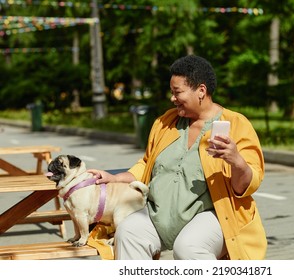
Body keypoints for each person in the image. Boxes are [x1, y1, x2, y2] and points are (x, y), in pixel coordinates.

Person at [88, 55, 267, 260]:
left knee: (188, 247)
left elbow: (248, 184)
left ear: (201, 91)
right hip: (159, 214)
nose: (172, 98)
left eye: (177, 92)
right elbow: (147, 164)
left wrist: (236, 160)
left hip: (211, 215)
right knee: (128, 232)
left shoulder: (237, 124)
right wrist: (115, 178)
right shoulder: (165, 122)